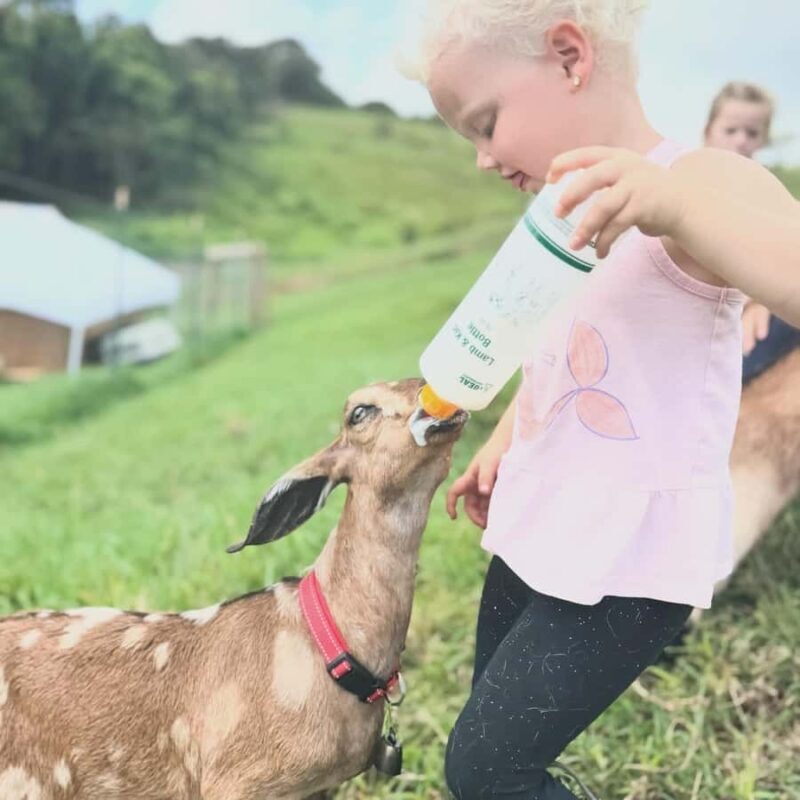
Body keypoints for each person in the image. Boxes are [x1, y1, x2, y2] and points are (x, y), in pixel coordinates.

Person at [400, 2, 800, 797]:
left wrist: (678, 205)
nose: (482, 158)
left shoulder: (700, 178)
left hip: (631, 553)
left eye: (485, 123)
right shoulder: (561, 213)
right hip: (542, 514)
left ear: (570, 56)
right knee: (492, 716)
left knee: (487, 770)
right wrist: (507, 438)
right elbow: (561, 340)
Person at [704, 81, 800, 382]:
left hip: (750, 307)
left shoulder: (768, 197)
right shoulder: (687, 186)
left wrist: (762, 300)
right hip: (704, 314)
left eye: (752, 133)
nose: (741, 141)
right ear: (708, 131)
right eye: (731, 131)